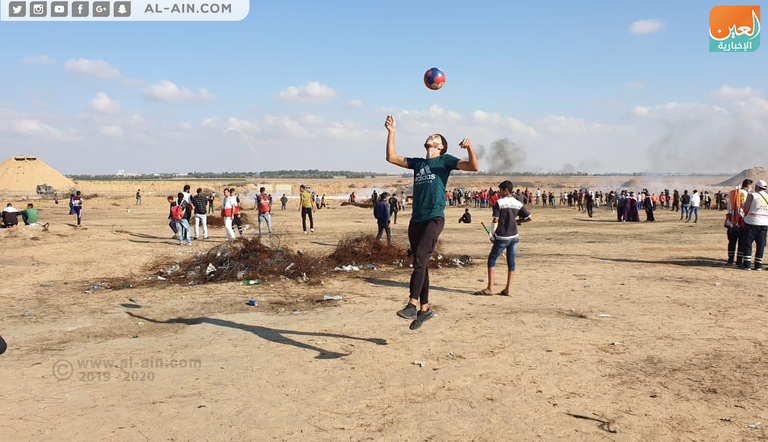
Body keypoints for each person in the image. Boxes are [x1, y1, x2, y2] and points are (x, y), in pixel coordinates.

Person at [385, 114, 479, 330]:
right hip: (416, 219)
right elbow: (391, 157)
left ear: (440, 147)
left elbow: (473, 166)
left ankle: (411, 304)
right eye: (430, 135)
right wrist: (391, 132)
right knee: (421, 263)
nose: (431, 136)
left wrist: (469, 148)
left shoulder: (444, 161)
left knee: (419, 258)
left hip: (434, 218)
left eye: (435, 136)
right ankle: (425, 310)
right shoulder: (418, 163)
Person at [475, 180, 532, 296]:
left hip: (502, 236)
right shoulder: (518, 203)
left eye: (500, 190)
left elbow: (495, 220)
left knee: (492, 259)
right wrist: (516, 221)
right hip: (514, 236)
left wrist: (492, 234)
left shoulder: (499, 203)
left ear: (506, 191)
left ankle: (490, 288)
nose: (499, 193)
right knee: (511, 261)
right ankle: (508, 289)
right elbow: (529, 218)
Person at [740, 180, 768, 271]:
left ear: (758, 187)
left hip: (752, 222)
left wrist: (746, 215)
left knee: (748, 243)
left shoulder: (752, 195)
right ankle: (758, 264)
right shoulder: (767, 196)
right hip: (764, 223)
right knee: (760, 244)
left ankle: (747, 264)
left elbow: (746, 208)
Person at [726, 179, 752, 267]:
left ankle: (730, 260)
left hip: (731, 220)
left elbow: (729, 206)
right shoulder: (746, 194)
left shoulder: (733, 193)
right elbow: (745, 206)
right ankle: (739, 261)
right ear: (748, 186)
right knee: (741, 241)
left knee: (731, 241)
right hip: (741, 220)